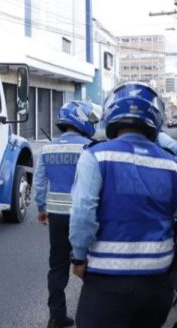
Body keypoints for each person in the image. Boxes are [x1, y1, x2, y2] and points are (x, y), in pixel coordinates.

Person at [69, 82, 177, 328]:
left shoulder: (96, 156)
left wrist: (78, 258)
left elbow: (83, 212)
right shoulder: (172, 164)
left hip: (107, 281)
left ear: (111, 115)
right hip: (157, 284)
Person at [34, 101, 99, 328]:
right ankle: (89, 317)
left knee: (57, 266)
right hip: (83, 216)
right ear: (80, 120)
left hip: (57, 216)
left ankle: (57, 317)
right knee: (88, 265)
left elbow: (39, 183)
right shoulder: (90, 147)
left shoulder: (46, 149)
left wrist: (41, 209)